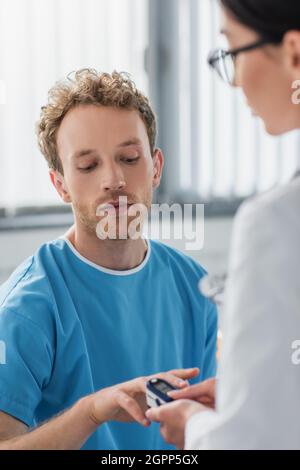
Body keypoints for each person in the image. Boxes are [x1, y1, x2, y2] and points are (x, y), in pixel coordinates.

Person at [0, 70, 218, 450]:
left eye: (129, 158)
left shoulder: (195, 286)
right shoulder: (27, 306)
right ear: (61, 184)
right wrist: (91, 412)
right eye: (88, 166)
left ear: (156, 167)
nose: (114, 179)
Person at [146, 0, 300, 450]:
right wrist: (253, 397)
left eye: (231, 50)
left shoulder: (276, 221)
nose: (233, 83)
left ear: (294, 54)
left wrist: (194, 426)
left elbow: (250, 442)